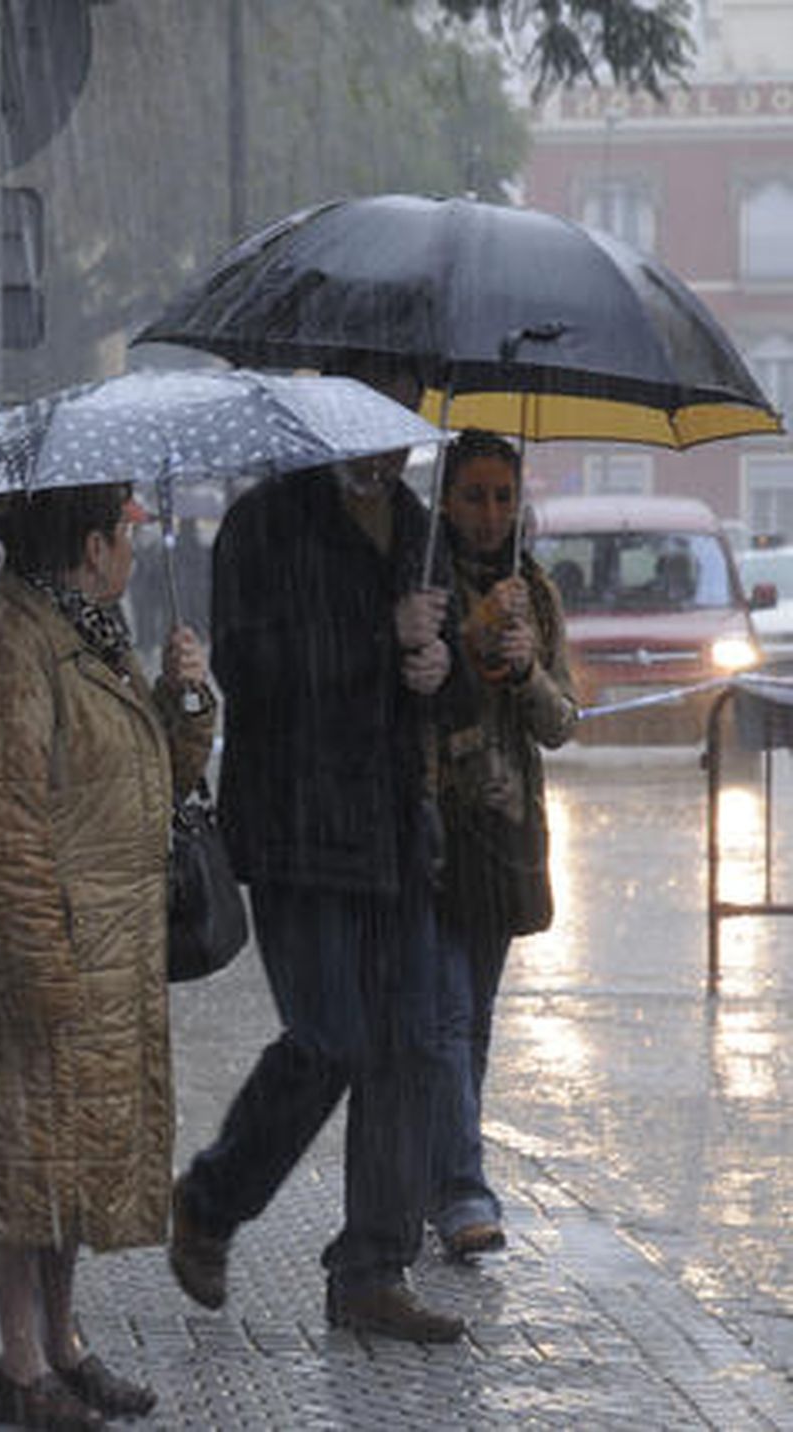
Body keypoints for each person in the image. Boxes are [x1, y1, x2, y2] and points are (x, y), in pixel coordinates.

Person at [168, 362, 468, 1343]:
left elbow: (439, 682)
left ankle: (373, 1268)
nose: (395, 448)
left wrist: (442, 664)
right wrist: (378, 639)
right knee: (329, 1037)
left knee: (410, 1045)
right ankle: (210, 1201)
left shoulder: (418, 525)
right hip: (297, 825)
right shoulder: (265, 521)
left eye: (407, 429)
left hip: (389, 827)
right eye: (379, 427)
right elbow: (255, 667)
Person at [0, 483, 214, 1429]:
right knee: (20, 1167)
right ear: (90, 547)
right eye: (124, 531)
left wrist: (185, 701)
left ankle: (62, 1345)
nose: (132, 547)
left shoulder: (92, 639)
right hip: (31, 963)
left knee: (66, 1168)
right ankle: (16, 1366)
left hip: (99, 959)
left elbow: (144, 788)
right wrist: (38, 965)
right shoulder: (8, 650)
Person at [428, 430, 578, 1257]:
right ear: (446, 500)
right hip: (434, 835)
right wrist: (454, 644)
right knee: (445, 1019)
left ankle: (439, 1173)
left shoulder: (538, 596)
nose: (489, 514)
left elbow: (562, 723)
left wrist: (525, 668)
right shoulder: (422, 584)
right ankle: (461, 1192)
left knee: (473, 1021)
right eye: (474, 495)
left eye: (502, 496)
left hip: (504, 838)